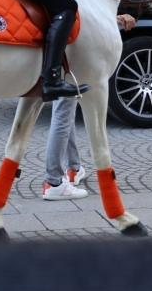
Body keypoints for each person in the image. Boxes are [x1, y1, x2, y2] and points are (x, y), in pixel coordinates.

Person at [42, 13, 137, 200]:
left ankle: (74, 168)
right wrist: (111, 18)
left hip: (56, 45)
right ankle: (54, 181)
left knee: (64, 107)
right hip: (71, 48)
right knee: (63, 107)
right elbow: (79, 7)